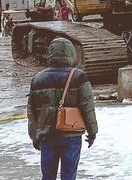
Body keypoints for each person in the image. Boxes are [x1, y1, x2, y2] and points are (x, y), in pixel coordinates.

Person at [27, 39, 98, 180]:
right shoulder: (78, 76)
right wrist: (92, 131)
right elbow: (87, 106)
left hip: (47, 136)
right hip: (71, 135)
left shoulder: (37, 79)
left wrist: (35, 136)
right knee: (69, 176)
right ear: (71, 54)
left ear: (51, 54)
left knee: (47, 176)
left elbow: (32, 112)